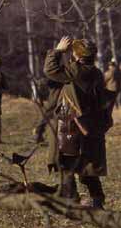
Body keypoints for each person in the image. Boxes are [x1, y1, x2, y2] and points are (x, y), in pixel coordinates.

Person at [44, 36, 112, 209]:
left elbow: (50, 70)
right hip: (89, 125)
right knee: (87, 166)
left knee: (66, 165)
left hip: (71, 125)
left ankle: (72, 201)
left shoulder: (74, 70)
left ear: (76, 54)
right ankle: (98, 201)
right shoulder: (96, 73)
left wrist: (58, 50)